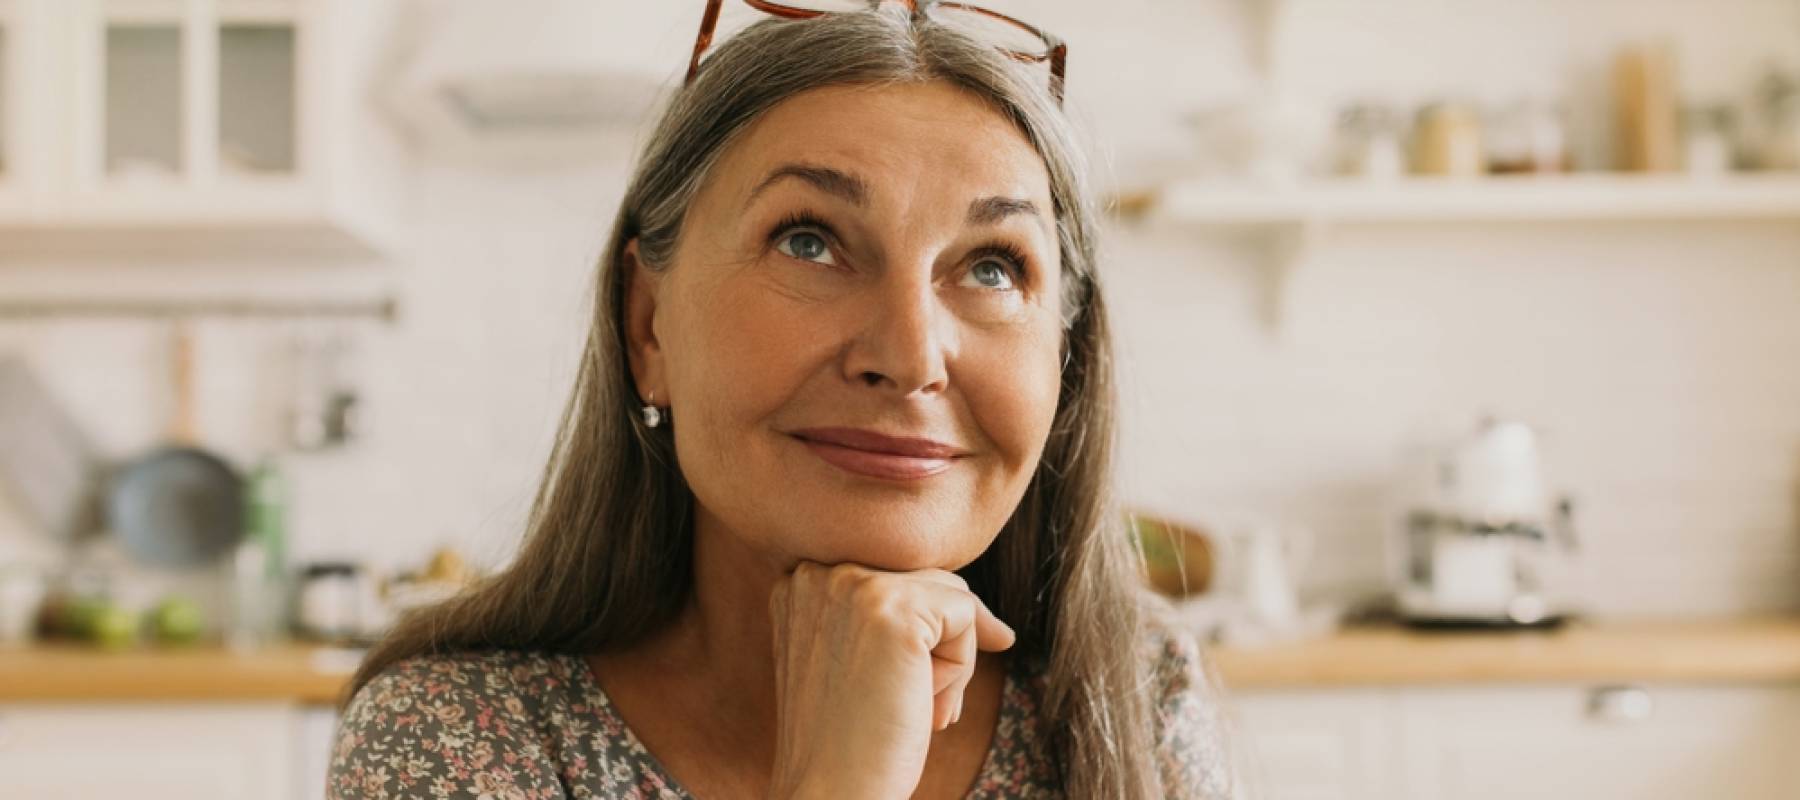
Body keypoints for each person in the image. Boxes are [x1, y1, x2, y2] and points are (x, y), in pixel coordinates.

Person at [326, 2, 1237, 798]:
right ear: (649, 327)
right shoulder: (457, 738)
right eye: (809, 242)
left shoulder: (1134, 697)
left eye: (992, 267)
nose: (911, 356)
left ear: (1065, 360)